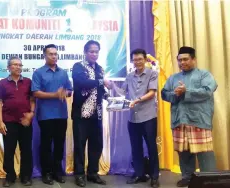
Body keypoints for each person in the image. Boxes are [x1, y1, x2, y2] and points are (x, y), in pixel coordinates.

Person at [161, 46, 217, 187]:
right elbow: (164, 93)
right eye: (180, 60)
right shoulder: (174, 78)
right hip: (179, 120)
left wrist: (186, 91)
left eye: (185, 59)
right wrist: (175, 94)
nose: (182, 63)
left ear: (194, 59)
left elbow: (207, 91)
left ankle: (208, 179)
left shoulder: (204, 75)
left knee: (204, 152)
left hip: (199, 120)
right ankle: (187, 177)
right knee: (184, 152)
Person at [111, 49, 160, 187]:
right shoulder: (129, 76)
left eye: (140, 59)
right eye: (135, 60)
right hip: (133, 118)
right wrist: (113, 86)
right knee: (135, 147)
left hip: (148, 117)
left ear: (145, 60)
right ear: (132, 61)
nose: (137, 62)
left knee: (151, 147)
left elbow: (151, 93)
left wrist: (137, 100)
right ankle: (139, 174)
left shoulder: (152, 74)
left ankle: (155, 176)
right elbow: (122, 92)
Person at [31, 44, 72, 185]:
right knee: (46, 145)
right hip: (45, 115)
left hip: (61, 114)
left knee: (60, 144)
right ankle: (46, 172)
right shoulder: (38, 73)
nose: (54, 56)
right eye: (50, 54)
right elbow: (35, 93)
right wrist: (55, 94)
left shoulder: (63, 72)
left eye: (55, 54)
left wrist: (65, 93)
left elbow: (69, 90)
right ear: (44, 55)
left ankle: (57, 171)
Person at [71, 40, 110, 187]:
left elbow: (100, 89)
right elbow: (82, 83)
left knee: (97, 145)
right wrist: (101, 82)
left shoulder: (100, 69)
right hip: (81, 114)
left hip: (97, 114)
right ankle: (79, 175)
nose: (94, 54)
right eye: (91, 51)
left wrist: (108, 97)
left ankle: (93, 173)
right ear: (85, 52)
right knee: (80, 146)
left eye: (96, 51)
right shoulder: (78, 67)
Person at [0, 57, 35, 187]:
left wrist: (31, 114)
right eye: (15, 65)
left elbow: (32, 100)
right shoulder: (2, 83)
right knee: (9, 150)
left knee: (26, 150)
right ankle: (10, 176)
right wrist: (0, 122)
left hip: (25, 122)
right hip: (9, 122)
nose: (18, 67)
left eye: (20, 65)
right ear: (8, 67)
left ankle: (26, 176)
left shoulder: (28, 82)